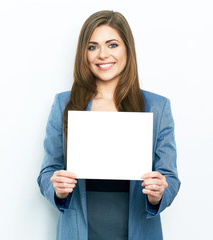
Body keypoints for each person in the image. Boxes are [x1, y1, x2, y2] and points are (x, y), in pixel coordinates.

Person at [37, 10, 180, 240]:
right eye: (92, 47)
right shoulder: (64, 104)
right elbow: (47, 172)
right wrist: (55, 186)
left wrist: (159, 193)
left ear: (127, 49)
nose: (102, 54)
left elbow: (170, 177)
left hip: (137, 230)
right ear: (84, 54)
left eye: (112, 45)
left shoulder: (157, 107)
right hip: (79, 230)